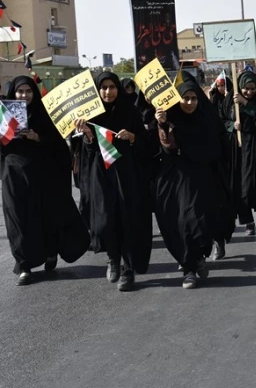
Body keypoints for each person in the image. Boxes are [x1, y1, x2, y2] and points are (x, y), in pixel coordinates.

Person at [2, 76, 90, 285]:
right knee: (18, 219)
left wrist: (38, 138)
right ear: (13, 94)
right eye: (20, 92)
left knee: (45, 216)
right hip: (14, 176)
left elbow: (59, 145)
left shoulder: (44, 116)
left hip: (43, 175)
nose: (24, 96)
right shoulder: (4, 116)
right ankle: (24, 265)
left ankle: (51, 253)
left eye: (28, 91)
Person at [75, 71, 153, 292]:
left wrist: (133, 137)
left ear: (118, 89)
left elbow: (146, 144)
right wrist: (88, 134)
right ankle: (112, 258)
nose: (108, 92)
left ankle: (128, 270)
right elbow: (87, 152)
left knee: (126, 219)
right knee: (105, 220)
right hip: (101, 174)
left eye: (112, 87)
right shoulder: (90, 115)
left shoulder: (131, 112)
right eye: (104, 88)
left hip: (127, 174)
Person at [154, 81, 231, 289]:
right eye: (185, 98)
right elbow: (166, 148)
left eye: (194, 98)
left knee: (199, 222)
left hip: (201, 178)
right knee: (179, 223)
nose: (189, 102)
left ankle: (198, 258)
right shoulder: (169, 120)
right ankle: (188, 268)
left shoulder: (206, 121)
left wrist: (187, 152)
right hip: (175, 180)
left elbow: (214, 149)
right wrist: (161, 124)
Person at [226, 70, 256, 236]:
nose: (250, 92)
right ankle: (248, 221)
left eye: (253, 88)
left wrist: (245, 102)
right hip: (239, 150)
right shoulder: (230, 102)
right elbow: (222, 120)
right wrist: (232, 126)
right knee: (242, 188)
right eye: (246, 89)